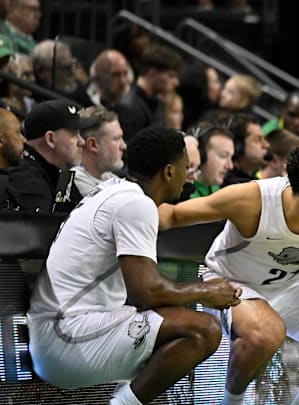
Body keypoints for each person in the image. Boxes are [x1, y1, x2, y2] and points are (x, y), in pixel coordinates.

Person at [26, 126, 241, 405]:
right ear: (168, 172)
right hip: (65, 338)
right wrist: (206, 290)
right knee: (202, 329)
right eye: (186, 168)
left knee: (170, 333)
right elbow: (146, 293)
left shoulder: (114, 192)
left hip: (57, 335)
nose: (188, 177)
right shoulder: (135, 204)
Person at [159, 140, 299, 405]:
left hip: (290, 286)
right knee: (266, 332)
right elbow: (171, 215)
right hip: (230, 284)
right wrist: (122, 208)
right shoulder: (252, 199)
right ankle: (231, 403)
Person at [7, 99, 94, 213]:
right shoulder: (27, 179)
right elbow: (43, 228)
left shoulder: (61, 173)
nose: (82, 142)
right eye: (73, 135)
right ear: (50, 139)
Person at [72, 106, 126, 196]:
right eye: (117, 139)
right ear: (93, 145)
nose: (123, 146)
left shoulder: (108, 176)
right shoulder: (74, 180)